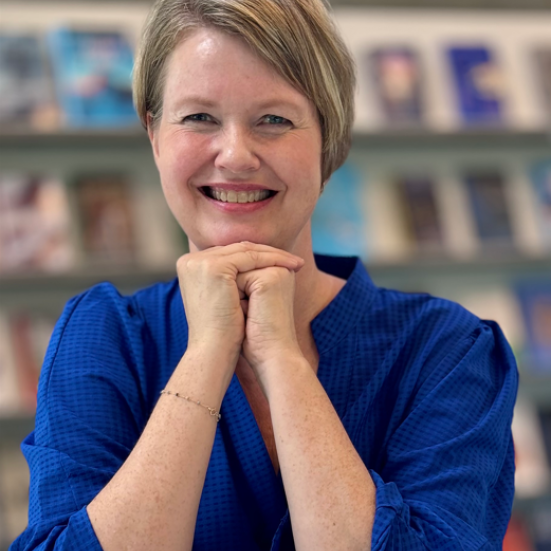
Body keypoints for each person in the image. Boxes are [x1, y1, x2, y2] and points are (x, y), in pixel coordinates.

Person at [12, 0, 517, 549]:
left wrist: (280, 357)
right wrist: (207, 353)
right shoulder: (104, 335)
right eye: (199, 118)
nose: (235, 156)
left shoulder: (448, 350)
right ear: (154, 134)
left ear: (329, 140)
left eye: (274, 120)